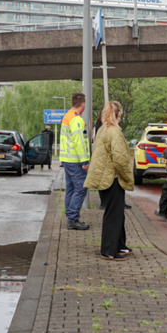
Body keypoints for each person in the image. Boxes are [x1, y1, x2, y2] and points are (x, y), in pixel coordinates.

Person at [84, 101, 134, 261]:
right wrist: (127, 176)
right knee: (113, 215)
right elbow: (120, 159)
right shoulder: (115, 132)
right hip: (112, 179)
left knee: (116, 213)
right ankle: (109, 251)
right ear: (119, 114)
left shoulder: (102, 130)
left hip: (104, 178)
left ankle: (119, 246)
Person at [60, 93, 90, 230]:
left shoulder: (68, 116)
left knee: (71, 189)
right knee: (81, 188)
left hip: (67, 159)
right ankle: (73, 219)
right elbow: (79, 141)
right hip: (75, 160)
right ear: (82, 104)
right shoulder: (76, 120)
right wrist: (85, 160)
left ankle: (70, 215)